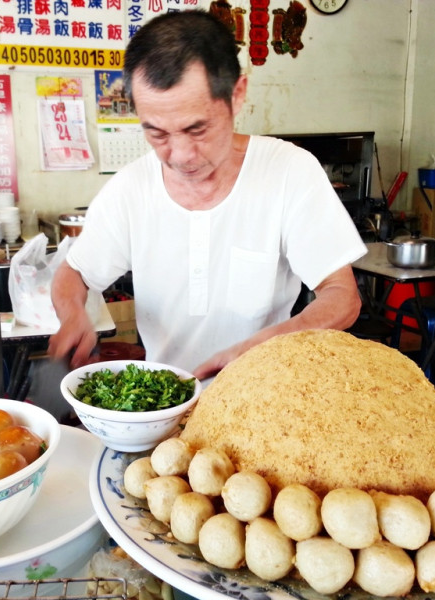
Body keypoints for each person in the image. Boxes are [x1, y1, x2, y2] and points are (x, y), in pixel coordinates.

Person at [49, 9, 367, 380]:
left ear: (237, 95)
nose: (180, 155)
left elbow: (342, 295)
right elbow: (74, 272)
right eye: (158, 134)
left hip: (263, 394)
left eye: (197, 129)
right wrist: (73, 316)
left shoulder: (289, 172)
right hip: (164, 403)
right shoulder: (130, 190)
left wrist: (259, 347)